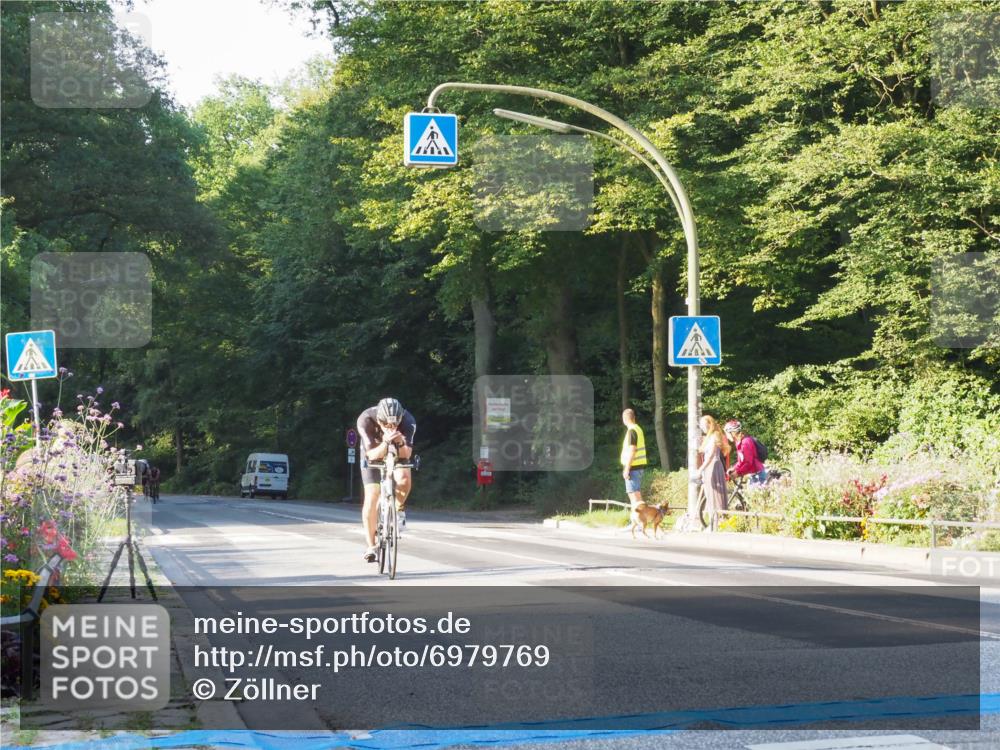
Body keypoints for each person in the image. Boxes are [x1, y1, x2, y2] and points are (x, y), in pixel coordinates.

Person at [357, 397, 416, 563]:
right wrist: (385, 442)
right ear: (379, 420)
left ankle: (397, 510)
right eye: (386, 425)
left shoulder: (408, 420)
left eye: (395, 424)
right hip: (374, 449)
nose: (391, 427)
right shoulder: (366, 419)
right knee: (372, 494)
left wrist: (398, 442)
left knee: (404, 479)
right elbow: (372, 455)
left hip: (397, 448)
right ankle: (371, 546)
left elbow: (407, 454)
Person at [699, 414, 730, 522]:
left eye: (703, 424)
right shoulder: (708, 436)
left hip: (714, 466)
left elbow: (712, 455)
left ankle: (720, 520)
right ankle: (714, 521)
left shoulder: (715, 435)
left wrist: (700, 469)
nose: (701, 427)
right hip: (709, 468)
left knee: (716, 495)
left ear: (709, 424)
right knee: (710, 494)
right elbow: (703, 451)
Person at [723, 420, 767, 487]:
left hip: (758, 474)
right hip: (753, 474)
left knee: (754, 496)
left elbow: (748, 462)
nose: (727, 436)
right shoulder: (739, 442)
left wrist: (737, 472)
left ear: (733, 433)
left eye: (727, 433)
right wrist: (734, 468)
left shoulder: (745, 442)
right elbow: (741, 461)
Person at [619, 409, 648, 509]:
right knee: (636, 494)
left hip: (633, 467)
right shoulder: (638, 429)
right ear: (634, 418)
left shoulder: (632, 430)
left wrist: (627, 468)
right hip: (637, 466)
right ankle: (638, 521)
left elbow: (632, 450)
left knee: (634, 496)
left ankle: (639, 521)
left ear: (624, 419)